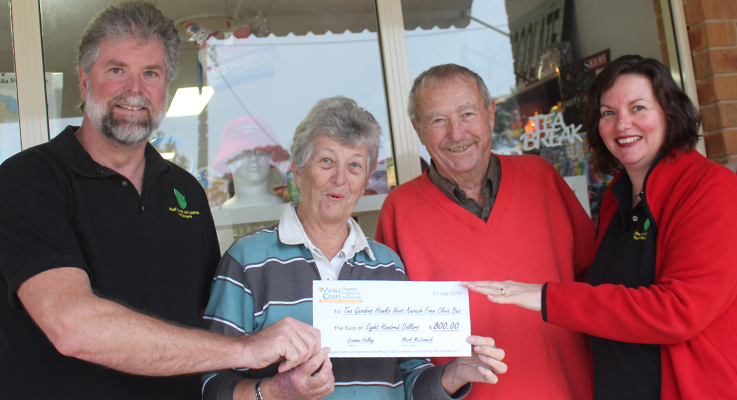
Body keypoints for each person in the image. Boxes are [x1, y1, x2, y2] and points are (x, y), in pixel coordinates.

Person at [0, 2, 320, 399]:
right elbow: (73, 327)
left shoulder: (186, 191)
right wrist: (246, 349)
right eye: (116, 70)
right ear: (84, 82)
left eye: (150, 73)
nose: (134, 89)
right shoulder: (28, 180)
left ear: (165, 89)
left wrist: (272, 387)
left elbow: (208, 328)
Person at [464, 55, 737, 399]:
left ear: (670, 113)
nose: (623, 124)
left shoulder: (712, 190)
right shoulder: (616, 196)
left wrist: (544, 296)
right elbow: (603, 293)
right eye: (609, 113)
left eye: (638, 108)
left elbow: (678, 311)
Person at [202, 96, 508, 400]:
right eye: (326, 161)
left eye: (354, 166)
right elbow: (210, 383)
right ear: (298, 171)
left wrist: (453, 374)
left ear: (365, 181)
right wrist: (275, 391)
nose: (340, 179)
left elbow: (409, 379)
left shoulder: (388, 266)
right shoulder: (247, 261)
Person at [376, 64, 595, 399]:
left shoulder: (541, 179)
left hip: (568, 390)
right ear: (417, 129)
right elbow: (394, 337)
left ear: (491, 114)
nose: (456, 133)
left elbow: (597, 288)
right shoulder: (398, 209)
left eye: (468, 114)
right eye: (438, 120)